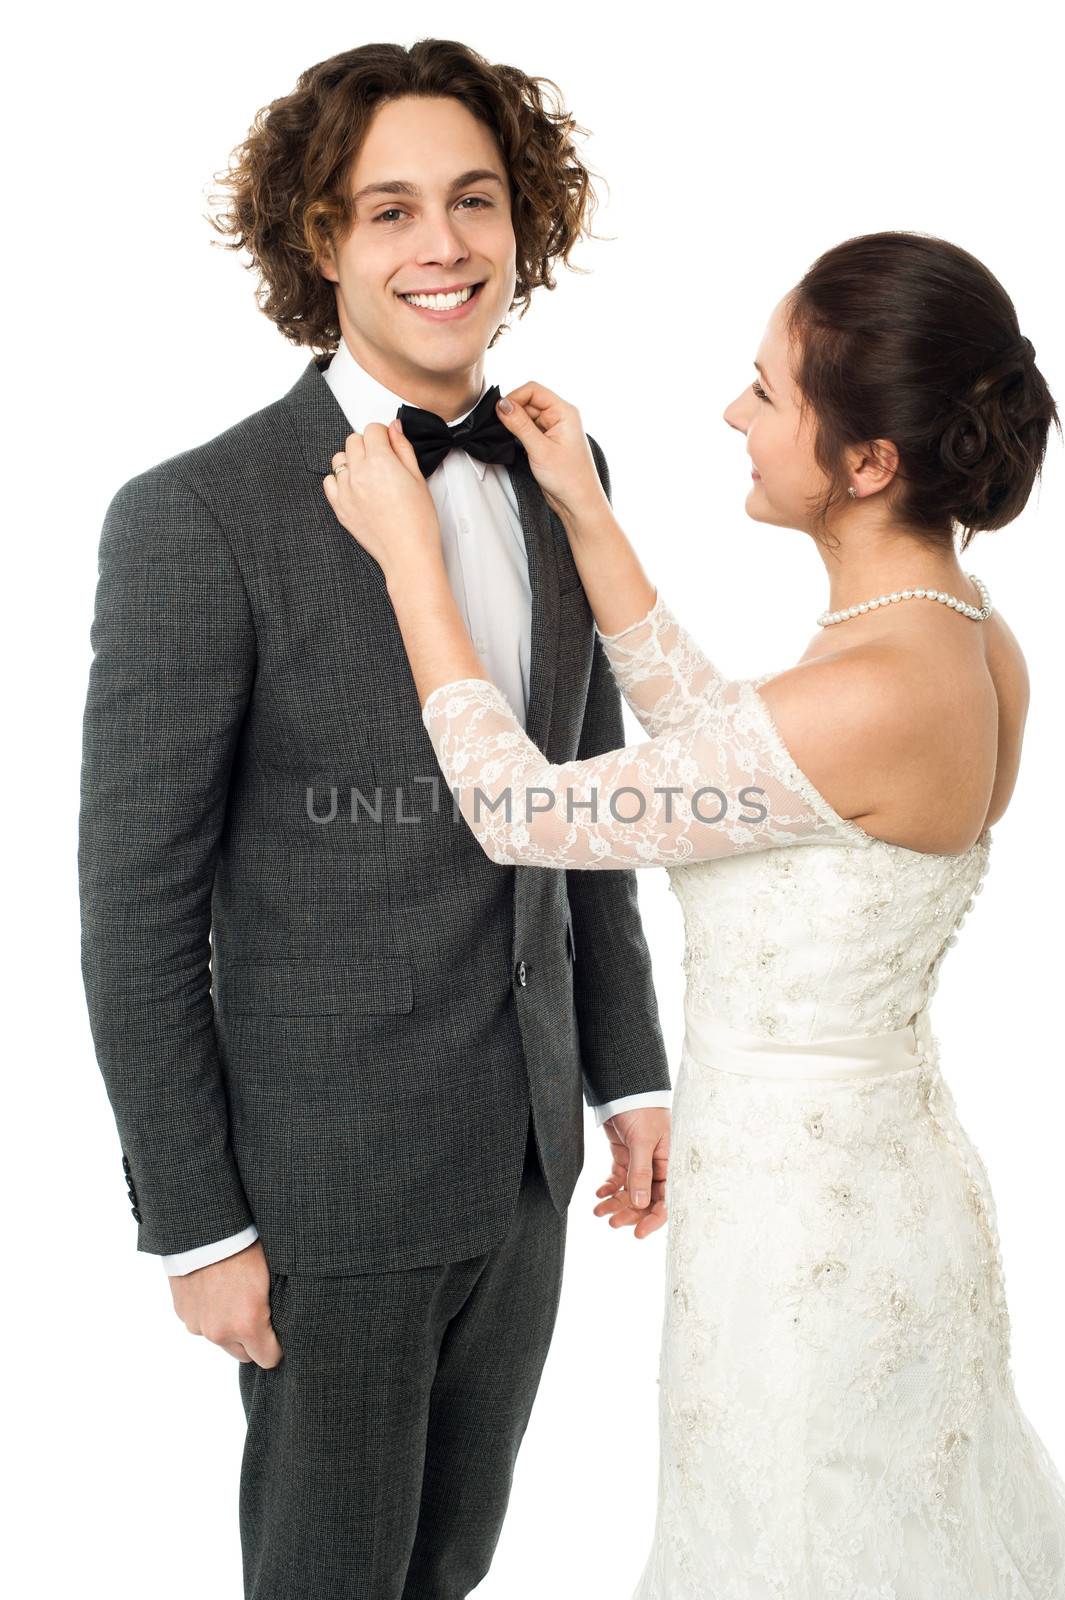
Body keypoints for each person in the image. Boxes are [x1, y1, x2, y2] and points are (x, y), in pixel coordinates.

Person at [326, 229, 1065, 1595]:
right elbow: (742, 764)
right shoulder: (954, 632)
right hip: (839, 1178)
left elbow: (526, 815)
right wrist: (585, 514)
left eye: (766, 392)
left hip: (809, 1240)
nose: (734, 414)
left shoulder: (879, 687)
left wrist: (410, 563)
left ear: (866, 464)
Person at [77, 40, 673, 1600]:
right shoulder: (194, 516)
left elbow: (582, 800)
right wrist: (195, 1227)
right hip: (324, 1193)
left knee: (450, 1571)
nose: (443, 248)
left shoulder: (563, 464)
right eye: (390, 210)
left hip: (532, 1169)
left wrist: (628, 1078)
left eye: (475, 202)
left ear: (521, 224)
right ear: (322, 242)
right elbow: (133, 905)